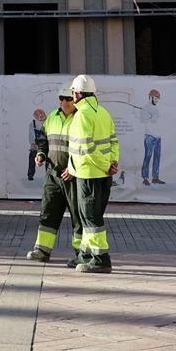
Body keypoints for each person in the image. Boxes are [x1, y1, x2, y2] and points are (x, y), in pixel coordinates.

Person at [64, 73, 119, 274]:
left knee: (91, 218)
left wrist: (105, 165)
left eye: (72, 93)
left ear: (77, 93)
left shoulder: (81, 116)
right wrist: (112, 163)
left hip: (89, 174)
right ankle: (85, 256)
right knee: (91, 218)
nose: (71, 96)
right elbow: (113, 141)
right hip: (104, 174)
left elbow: (86, 148)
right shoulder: (103, 112)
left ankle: (100, 259)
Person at [27, 88, 80, 265]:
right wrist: (41, 154)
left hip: (74, 177)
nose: (65, 102)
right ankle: (42, 250)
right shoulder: (52, 118)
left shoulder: (81, 118)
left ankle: (82, 254)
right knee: (48, 212)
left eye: (68, 99)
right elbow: (43, 141)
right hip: (53, 175)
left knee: (77, 216)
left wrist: (74, 169)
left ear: (75, 99)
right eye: (62, 99)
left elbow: (84, 148)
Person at [142, 88, 164, 185]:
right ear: (150, 97)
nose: (156, 100)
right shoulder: (145, 108)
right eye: (155, 98)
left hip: (158, 137)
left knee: (157, 157)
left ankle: (155, 177)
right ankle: (145, 178)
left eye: (157, 98)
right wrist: (152, 118)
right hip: (149, 137)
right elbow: (143, 121)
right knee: (148, 156)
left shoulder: (157, 109)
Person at [26, 106, 47, 182]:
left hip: (45, 144)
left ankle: (48, 175)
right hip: (35, 144)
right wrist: (33, 143)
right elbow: (31, 135)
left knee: (48, 160)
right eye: (39, 116)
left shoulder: (47, 123)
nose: (41, 118)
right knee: (32, 157)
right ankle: (30, 175)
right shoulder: (32, 124)